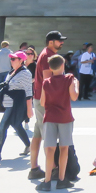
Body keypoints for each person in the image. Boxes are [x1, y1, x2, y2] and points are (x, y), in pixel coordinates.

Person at [38, 54, 79, 191]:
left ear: (50, 67)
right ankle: (62, 179)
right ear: (63, 65)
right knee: (64, 148)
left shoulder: (46, 82)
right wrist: (76, 85)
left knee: (49, 149)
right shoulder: (69, 79)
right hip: (65, 118)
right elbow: (74, 96)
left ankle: (47, 180)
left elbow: (43, 102)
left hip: (50, 117)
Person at [29, 30, 66, 181]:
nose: (62, 43)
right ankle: (53, 170)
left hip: (40, 100)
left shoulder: (46, 54)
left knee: (38, 134)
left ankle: (34, 168)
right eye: (59, 41)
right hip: (44, 101)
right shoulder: (47, 56)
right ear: (51, 42)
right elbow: (47, 82)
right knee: (48, 136)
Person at [0, 51, 33, 160]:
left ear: (21, 60)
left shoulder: (25, 73)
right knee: (16, 125)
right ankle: (29, 146)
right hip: (9, 104)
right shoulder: (12, 72)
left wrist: (29, 109)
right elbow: (4, 88)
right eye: (11, 59)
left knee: (3, 125)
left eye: (14, 59)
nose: (11, 61)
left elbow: (29, 91)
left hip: (15, 104)